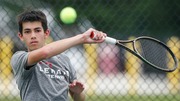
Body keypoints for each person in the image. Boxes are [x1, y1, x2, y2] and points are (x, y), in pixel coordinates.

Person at [10, 9, 106, 101]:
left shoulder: (64, 60)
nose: (33, 35)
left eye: (37, 30)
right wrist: (82, 38)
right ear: (21, 36)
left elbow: (79, 99)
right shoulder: (19, 58)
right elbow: (45, 52)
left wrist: (77, 92)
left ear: (46, 33)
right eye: (27, 32)